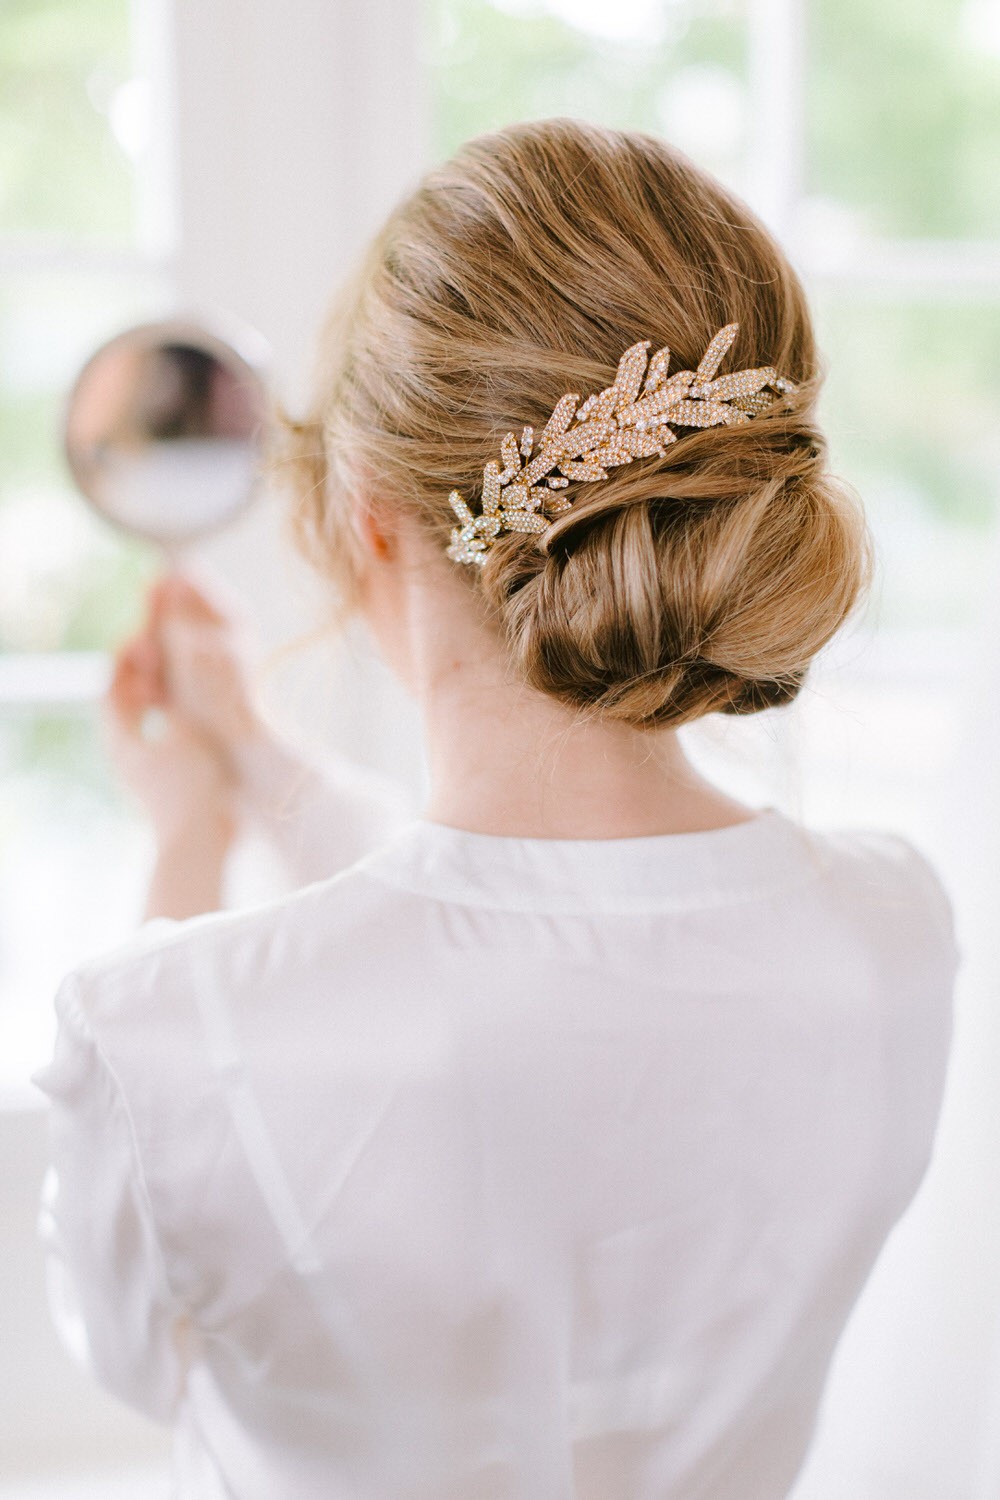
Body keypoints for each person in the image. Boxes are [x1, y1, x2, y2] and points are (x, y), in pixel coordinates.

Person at [33, 120, 959, 1500]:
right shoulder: (894, 934)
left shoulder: (165, 1034)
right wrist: (261, 763)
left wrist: (189, 837)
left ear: (370, 521)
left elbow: (126, 1354)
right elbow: (531, 948)